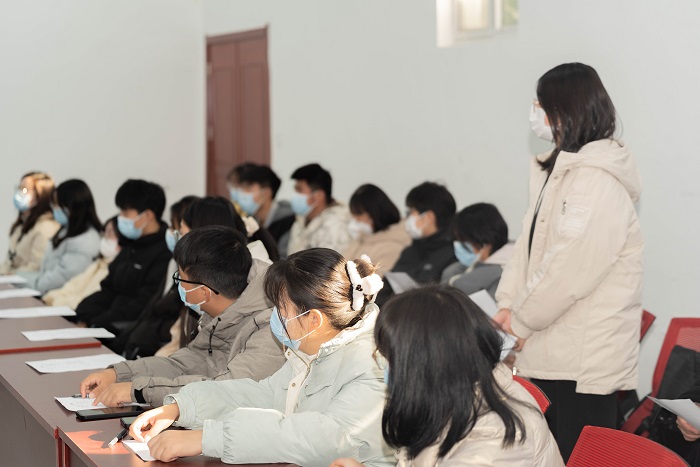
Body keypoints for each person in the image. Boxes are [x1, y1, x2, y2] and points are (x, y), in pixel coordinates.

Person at [493, 62, 644, 462]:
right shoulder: (557, 169)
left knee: (580, 456)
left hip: (582, 356)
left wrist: (520, 322)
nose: (535, 113)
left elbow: (570, 268)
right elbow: (527, 248)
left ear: (565, 110)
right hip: (547, 344)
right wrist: (506, 306)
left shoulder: (598, 178)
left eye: (541, 104)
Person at [128, 248, 393, 466]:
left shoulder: (372, 366)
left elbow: (322, 438)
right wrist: (181, 408)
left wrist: (209, 439)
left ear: (313, 319)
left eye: (281, 308)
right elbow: (263, 394)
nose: (274, 316)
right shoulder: (312, 351)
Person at [332, 285, 563, 467]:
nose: (386, 367)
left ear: (427, 362)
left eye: (390, 358)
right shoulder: (452, 394)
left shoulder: (495, 437)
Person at [79, 226, 284, 407]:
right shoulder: (225, 309)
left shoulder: (271, 327)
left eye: (181, 278)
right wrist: (119, 374)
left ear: (204, 292)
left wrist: (140, 391)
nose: (178, 285)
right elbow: (186, 364)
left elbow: (225, 390)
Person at [73, 179, 171, 333]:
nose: (120, 218)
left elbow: (144, 304)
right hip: (105, 322)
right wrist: (83, 315)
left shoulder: (164, 252)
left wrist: (97, 323)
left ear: (147, 216)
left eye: (125, 213)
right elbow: (108, 289)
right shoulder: (130, 246)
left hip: (125, 329)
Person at [113, 195, 199, 358]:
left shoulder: (194, 276)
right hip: (140, 346)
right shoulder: (173, 263)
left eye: (177, 229)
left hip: (157, 352)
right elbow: (149, 311)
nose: (172, 233)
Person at [18, 179, 101, 293]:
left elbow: (58, 278)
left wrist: (18, 278)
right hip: (46, 290)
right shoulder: (66, 230)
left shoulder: (87, 241)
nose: (54, 208)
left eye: (57, 204)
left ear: (72, 207)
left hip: (60, 295)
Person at [43, 217, 120, 309]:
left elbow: (87, 301)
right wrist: (50, 298)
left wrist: (57, 301)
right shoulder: (98, 264)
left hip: (75, 310)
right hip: (64, 306)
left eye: (110, 233)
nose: (105, 238)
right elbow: (72, 286)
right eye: (104, 233)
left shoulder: (115, 270)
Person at [390, 181, 456, 284]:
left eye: (410, 212)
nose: (407, 219)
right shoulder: (410, 251)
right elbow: (386, 286)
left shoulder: (454, 254)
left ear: (428, 217)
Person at [441, 203, 509, 298]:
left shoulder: (505, 274)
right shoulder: (458, 268)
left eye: (465, 243)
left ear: (485, 240)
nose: (459, 247)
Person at [343, 184, 411, 276]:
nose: (355, 220)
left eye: (358, 215)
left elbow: (376, 281)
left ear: (374, 213)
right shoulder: (361, 239)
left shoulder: (393, 246)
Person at [0, 172, 59, 275]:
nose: (19, 193)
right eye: (19, 188)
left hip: (25, 281)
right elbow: (10, 261)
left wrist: (9, 274)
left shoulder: (46, 227)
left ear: (41, 195)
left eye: (25, 190)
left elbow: (36, 267)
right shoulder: (21, 225)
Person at [287, 163, 352, 255]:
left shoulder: (334, 225)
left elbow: (328, 263)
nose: (295, 195)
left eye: (299, 190)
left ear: (318, 196)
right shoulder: (300, 220)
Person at [236, 164, 295, 257]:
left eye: (248, 189)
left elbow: (285, 258)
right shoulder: (251, 220)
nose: (242, 194)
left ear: (266, 193)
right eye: (242, 189)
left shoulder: (288, 221)